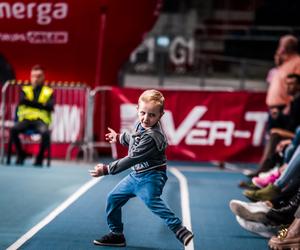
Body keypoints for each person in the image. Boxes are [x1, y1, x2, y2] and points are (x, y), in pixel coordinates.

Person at [89, 89, 194, 247]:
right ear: (137, 109)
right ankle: (117, 234)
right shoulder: (140, 124)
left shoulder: (153, 137)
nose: (146, 118)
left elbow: (132, 158)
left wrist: (106, 169)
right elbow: (133, 138)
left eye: (152, 115)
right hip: (136, 175)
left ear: (160, 115)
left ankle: (179, 228)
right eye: (143, 112)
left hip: (152, 177)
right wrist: (118, 137)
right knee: (113, 199)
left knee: (152, 201)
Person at [7, 65, 54, 166]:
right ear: (30, 76)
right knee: (13, 130)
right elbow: (22, 102)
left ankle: (40, 158)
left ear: (43, 77)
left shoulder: (48, 91)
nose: (36, 78)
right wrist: (41, 105)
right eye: (33, 76)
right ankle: (21, 154)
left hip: (40, 121)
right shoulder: (25, 89)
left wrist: (30, 103)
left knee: (45, 133)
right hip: (25, 120)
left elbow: (50, 106)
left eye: (39, 76)